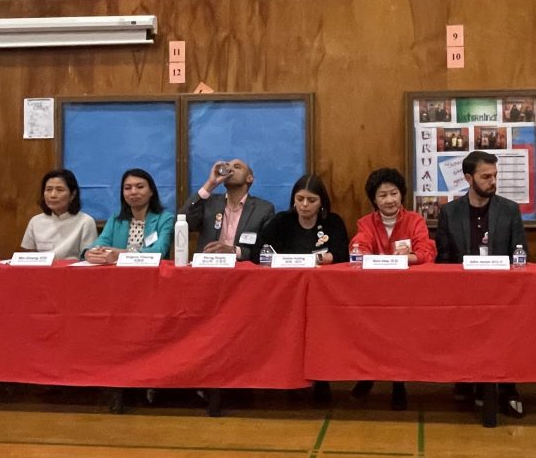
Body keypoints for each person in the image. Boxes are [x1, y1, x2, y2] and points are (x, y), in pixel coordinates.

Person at [435, 151, 527, 416]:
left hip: (503, 293)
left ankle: (508, 388)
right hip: (463, 295)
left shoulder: (509, 210)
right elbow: (444, 260)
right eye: (486, 176)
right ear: (468, 178)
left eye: (495, 176)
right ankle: (467, 381)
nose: (492, 181)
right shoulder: (450, 213)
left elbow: (520, 254)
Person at [254, 173, 349, 404]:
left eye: (311, 200)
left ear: (322, 203)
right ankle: (291, 379)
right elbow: (260, 253)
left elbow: (343, 254)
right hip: (286, 294)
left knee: (322, 333)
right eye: (300, 199)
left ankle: (322, 380)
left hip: (323, 296)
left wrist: (326, 258)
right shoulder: (280, 221)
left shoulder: (333, 222)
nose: (304, 205)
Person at [348, 167, 438, 410]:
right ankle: (367, 376)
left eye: (394, 193)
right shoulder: (365, 223)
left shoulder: (415, 220)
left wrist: (404, 259)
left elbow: (426, 252)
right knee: (368, 330)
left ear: (402, 195)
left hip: (407, 294)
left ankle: (399, 384)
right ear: (374, 200)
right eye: (382, 195)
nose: (389, 200)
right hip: (373, 293)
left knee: (399, 334)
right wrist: (389, 257)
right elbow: (359, 248)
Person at [179, 158, 274, 261]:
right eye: (227, 166)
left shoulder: (263, 209)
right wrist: (210, 184)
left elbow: (265, 251)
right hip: (207, 269)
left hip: (242, 272)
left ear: (249, 178)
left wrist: (233, 251)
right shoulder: (209, 203)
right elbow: (184, 222)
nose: (230, 169)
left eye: (237, 167)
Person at [84, 168, 174, 265]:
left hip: (152, 273)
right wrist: (90, 253)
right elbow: (101, 242)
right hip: (117, 274)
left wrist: (121, 254)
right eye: (127, 188)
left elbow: (158, 250)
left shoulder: (165, 219)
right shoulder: (116, 219)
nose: (133, 192)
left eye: (140, 187)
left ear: (151, 191)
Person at [21, 168, 97, 259]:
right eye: (48, 189)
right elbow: (28, 255)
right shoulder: (35, 221)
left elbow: (88, 256)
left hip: (71, 271)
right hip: (42, 271)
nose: (53, 195)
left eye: (60, 190)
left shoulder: (85, 221)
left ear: (72, 195)